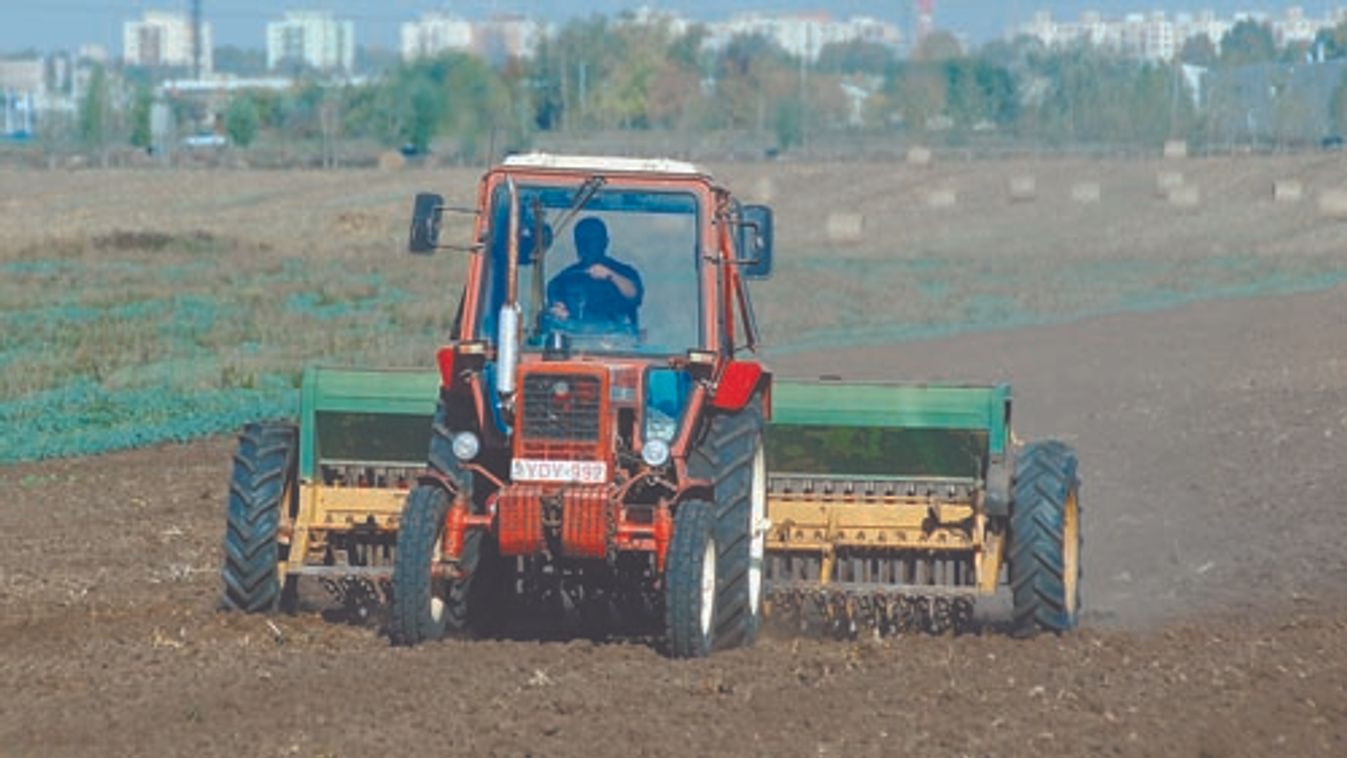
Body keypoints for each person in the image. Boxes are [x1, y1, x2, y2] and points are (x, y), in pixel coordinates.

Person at [547, 217, 643, 327]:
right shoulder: (562, 280)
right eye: (582, 240)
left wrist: (610, 275)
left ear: (605, 242)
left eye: (593, 240)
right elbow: (556, 310)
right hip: (576, 340)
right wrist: (558, 314)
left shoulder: (625, 273)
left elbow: (634, 295)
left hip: (618, 341)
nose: (587, 246)